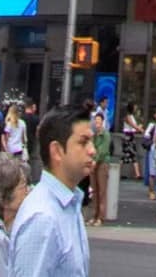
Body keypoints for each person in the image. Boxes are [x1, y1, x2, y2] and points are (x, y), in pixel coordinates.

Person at [7, 106, 93, 277]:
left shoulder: (69, 203)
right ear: (57, 151)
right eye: (83, 142)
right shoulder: (43, 218)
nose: (92, 150)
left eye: (91, 141)